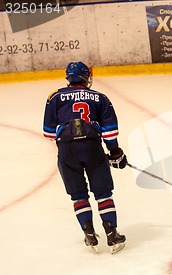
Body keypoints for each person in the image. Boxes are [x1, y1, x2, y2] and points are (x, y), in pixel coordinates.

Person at [43, 61, 127, 254]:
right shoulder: (100, 98)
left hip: (67, 151)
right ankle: (112, 235)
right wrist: (115, 152)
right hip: (92, 148)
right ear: (86, 77)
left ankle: (89, 234)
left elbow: (48, 133)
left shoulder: (54, 97)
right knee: (103, 193)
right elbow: (110, 133)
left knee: (78, 195)